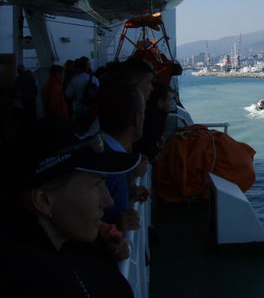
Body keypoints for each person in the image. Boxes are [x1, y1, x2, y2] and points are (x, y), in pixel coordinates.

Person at [0, 117, 141, 297]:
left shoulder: (73, 244)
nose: (108, 201)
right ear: (43, 201)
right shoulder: (30, 281)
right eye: (96, 184)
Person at [98, 83, 148, 232]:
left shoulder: (98, 150)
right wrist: (111, 226)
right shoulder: (111, 167)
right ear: (137, 120)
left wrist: (129, 192)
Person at [134, 81, 175, 161]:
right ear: (160, 103)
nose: (171, 104)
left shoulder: (148, 111)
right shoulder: (158, 117)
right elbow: (147, 145)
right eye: (170, 100)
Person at [65, 57, 99, 128]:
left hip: (79, 109)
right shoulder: (94, 79)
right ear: (86, 68)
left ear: (77, 68)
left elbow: (68, 95)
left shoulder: (73, 80)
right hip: (93, 110)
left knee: (80, 129)